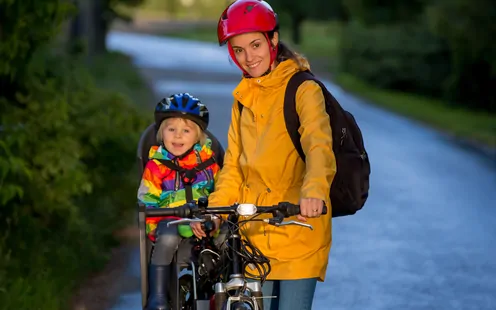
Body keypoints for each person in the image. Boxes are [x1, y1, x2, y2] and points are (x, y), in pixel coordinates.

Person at [190, 1, 336, 309]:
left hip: (298, 226)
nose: (248, 57)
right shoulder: (243, 98)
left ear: (272, 39)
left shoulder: (303, 89)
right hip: (253, 235)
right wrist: (215, 210)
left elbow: (319, 147)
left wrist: (314, 192)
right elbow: (234, 166)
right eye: (238, 50)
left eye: (255, 45)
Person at [137, 93, 222, 310]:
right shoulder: (156, 166)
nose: (177, 136)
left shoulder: (209, 164)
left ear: (198, 136)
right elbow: (147, 200)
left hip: (204, 221)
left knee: (227, 238)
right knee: (167, 236)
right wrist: (158, 219)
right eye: (171, 129)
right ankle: (157, 297)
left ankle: (225, 290)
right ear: (161, 133)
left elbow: (222, 192)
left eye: (186, 130)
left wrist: (214, 216)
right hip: (171, 220)